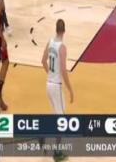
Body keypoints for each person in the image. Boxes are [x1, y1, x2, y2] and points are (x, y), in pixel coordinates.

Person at [41, 19, 74, 162]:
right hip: (56, 86)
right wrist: (70, 89)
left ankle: (42, 135)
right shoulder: (62, 47)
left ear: (56, 29)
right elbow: (64, 70)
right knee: (61, 121)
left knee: (55, 117)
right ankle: (57, 152)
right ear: (64, 31)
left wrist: (50, 74)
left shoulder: (49, 42)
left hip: (48, 84)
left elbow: (43, 61)